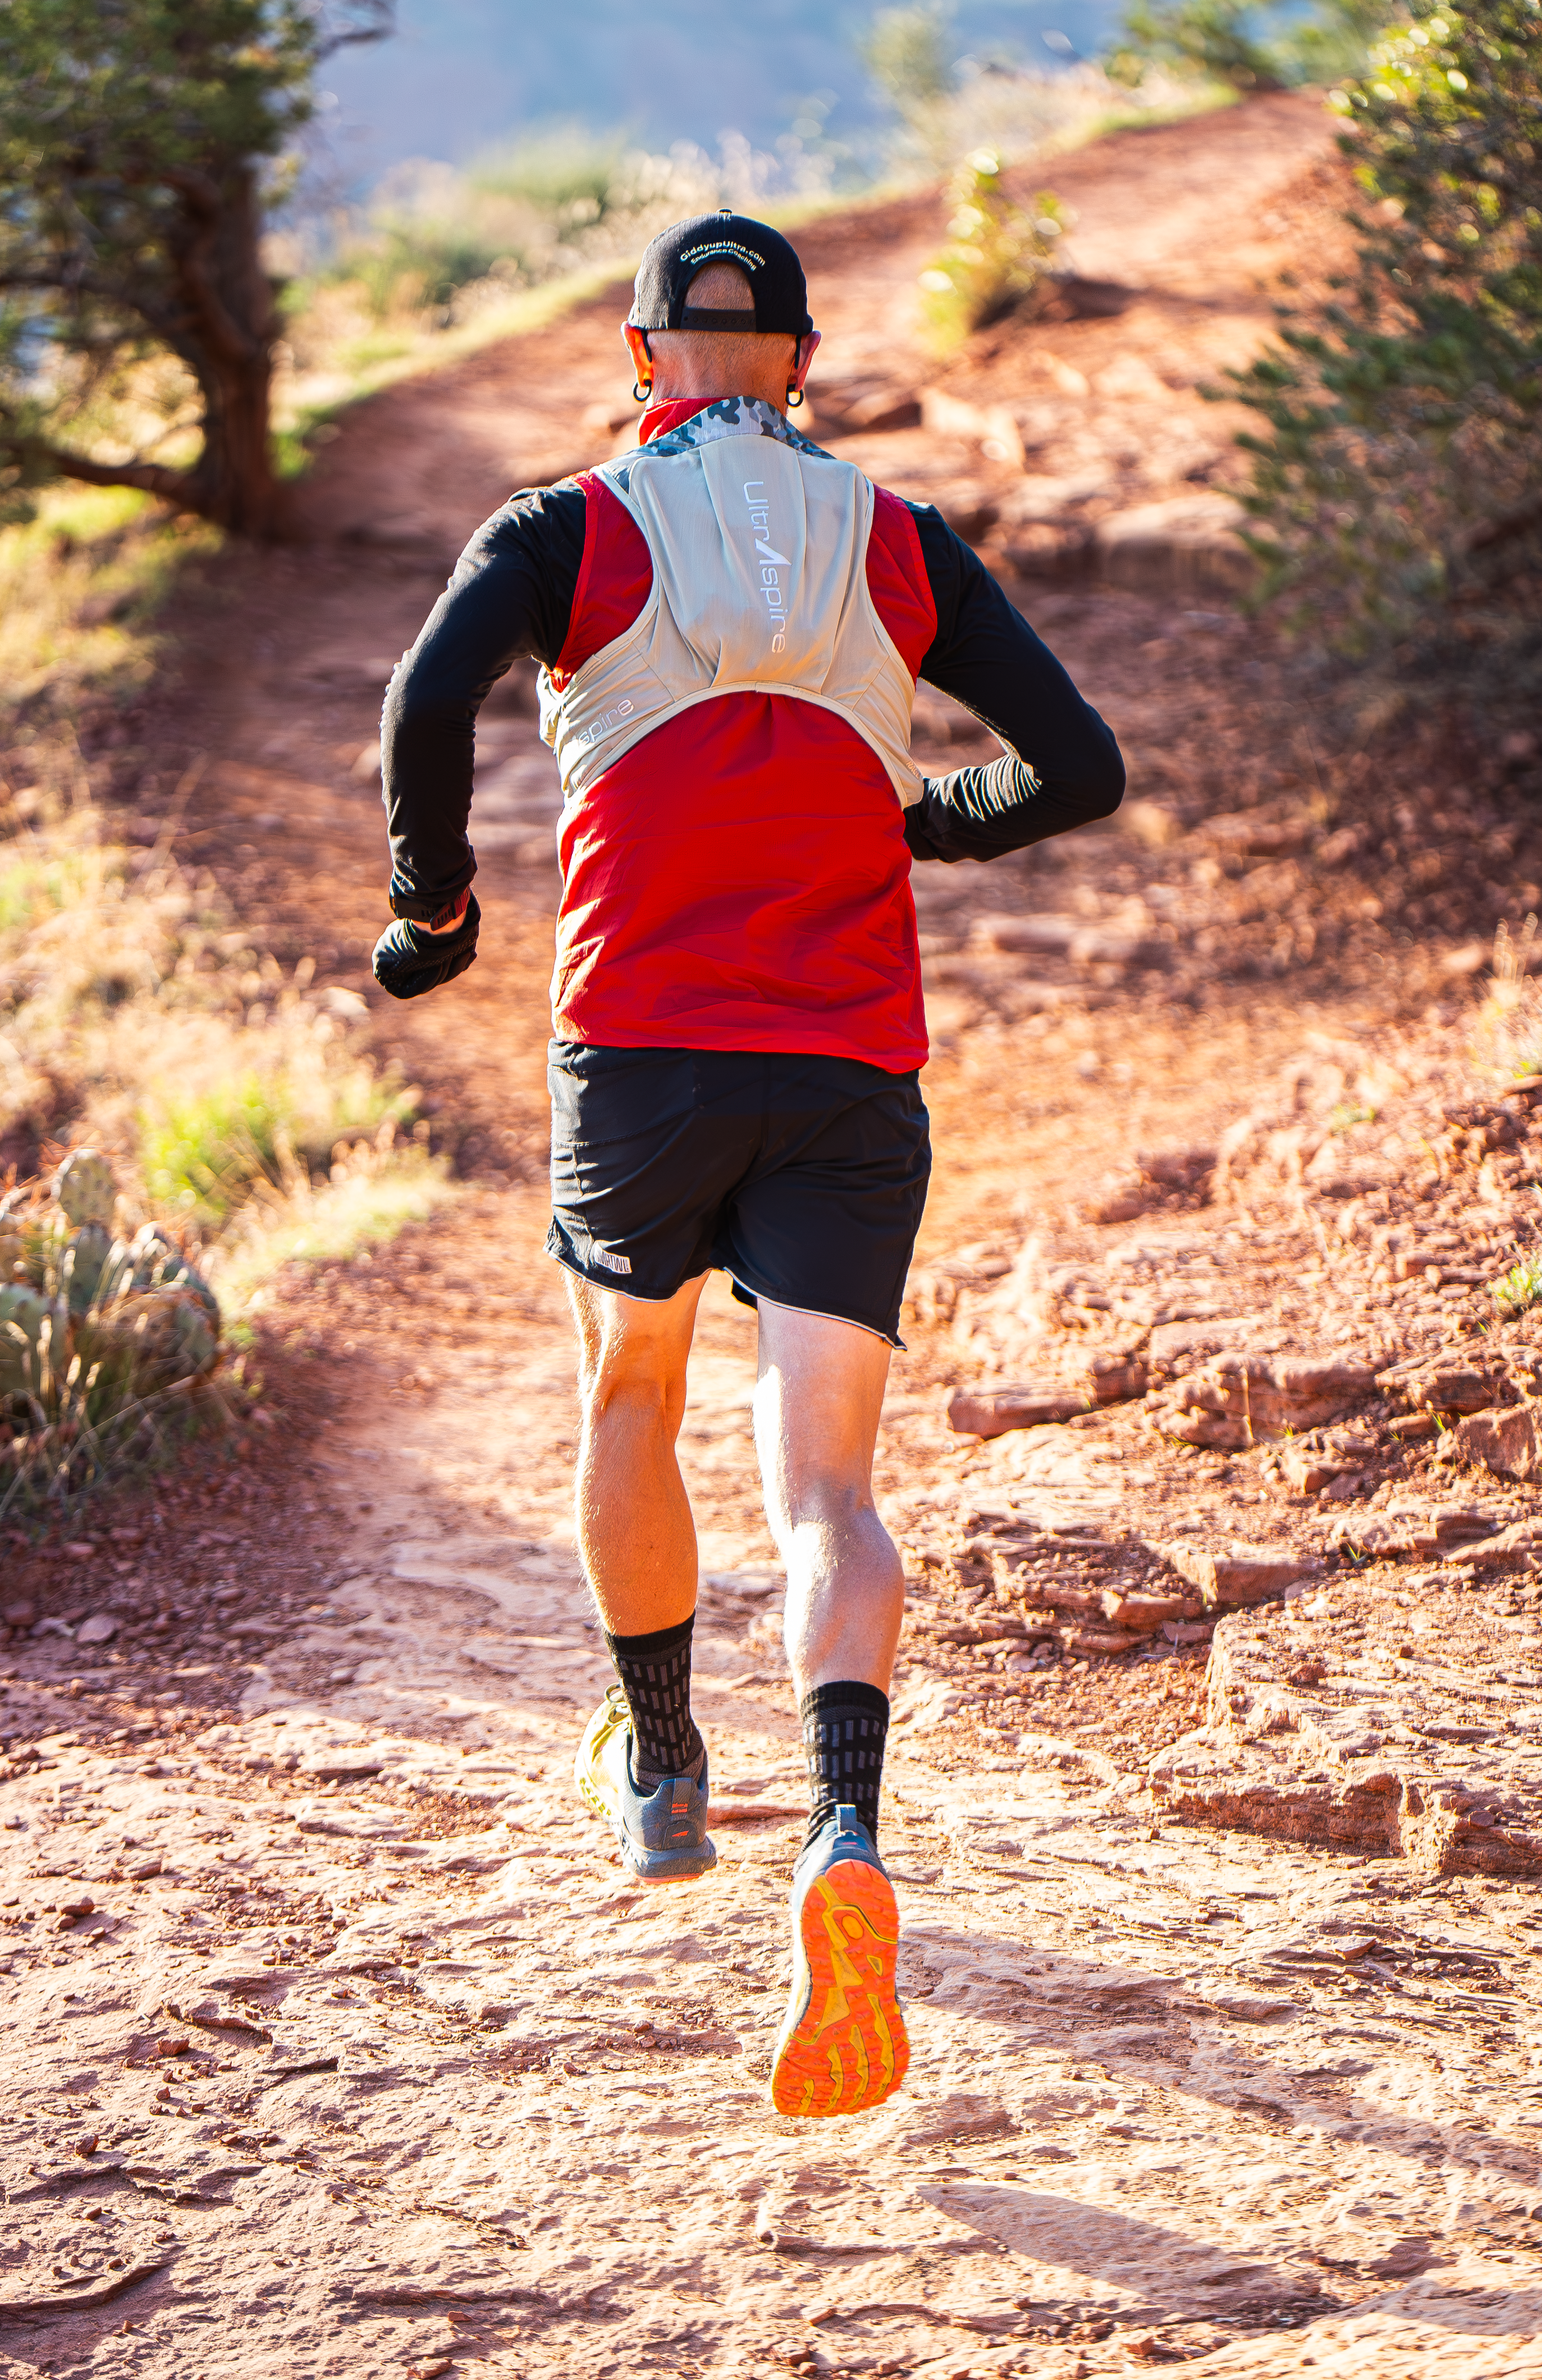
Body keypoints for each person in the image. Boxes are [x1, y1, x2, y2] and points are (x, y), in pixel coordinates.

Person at [372, 209, 1124, 2119]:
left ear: (646, 359)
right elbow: (1081, 766)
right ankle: (848, 1831)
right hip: (853, 1064)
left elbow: (421, 705)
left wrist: (436, 908)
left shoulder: (567, 530)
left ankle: (660, 1761)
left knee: (631, 1389)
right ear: (797, 355)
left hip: (639, 1054)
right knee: (829, 1484)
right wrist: (928, 824)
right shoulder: (898, 539)